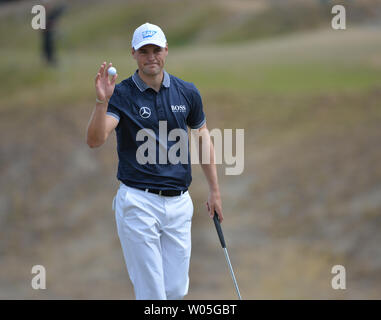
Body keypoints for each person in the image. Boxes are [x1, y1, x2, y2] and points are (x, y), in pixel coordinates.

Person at [86, 22, 223, 300]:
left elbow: (202, 138)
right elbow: (95, 139)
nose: (151, 57)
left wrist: (214, 190)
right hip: (138, 202)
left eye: (156, 50)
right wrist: (102, 102)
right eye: (144, 51)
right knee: (153, 296)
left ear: (166, 50)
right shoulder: (122, 94)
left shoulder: (187, 92)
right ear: (134, 54)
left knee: (175, 291)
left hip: (179, 203)